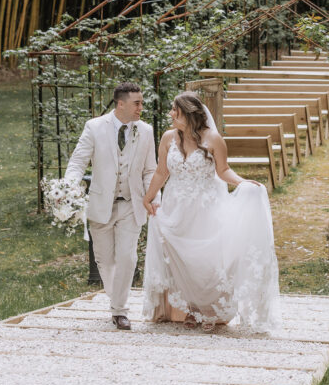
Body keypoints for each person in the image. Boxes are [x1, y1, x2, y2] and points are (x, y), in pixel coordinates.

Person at [141, 91, 280, 333]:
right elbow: (162, 171)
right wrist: (149, 196)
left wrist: (243, 183)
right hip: (176, 207)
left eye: (175, 110)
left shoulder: (213, 138)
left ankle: (211, 311)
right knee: (181, 258)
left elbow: (223, 170)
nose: (170, 114)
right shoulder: (167, 138)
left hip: (205, 208)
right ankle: (192, 309)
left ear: (188, 113)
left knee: (206, 259)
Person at [63, 82, 157, 330]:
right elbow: (77, 162)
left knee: (127, 257)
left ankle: (119, 310)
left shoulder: (145, 131)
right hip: (101, 204)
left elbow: (150, 170)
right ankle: (116, 303)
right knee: (105, 261)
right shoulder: (94, 127)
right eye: (137, 102)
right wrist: (68, 188)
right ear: (121, 104)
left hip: (131, 204)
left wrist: (152, 197)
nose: (141, 107)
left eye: (142, 102)